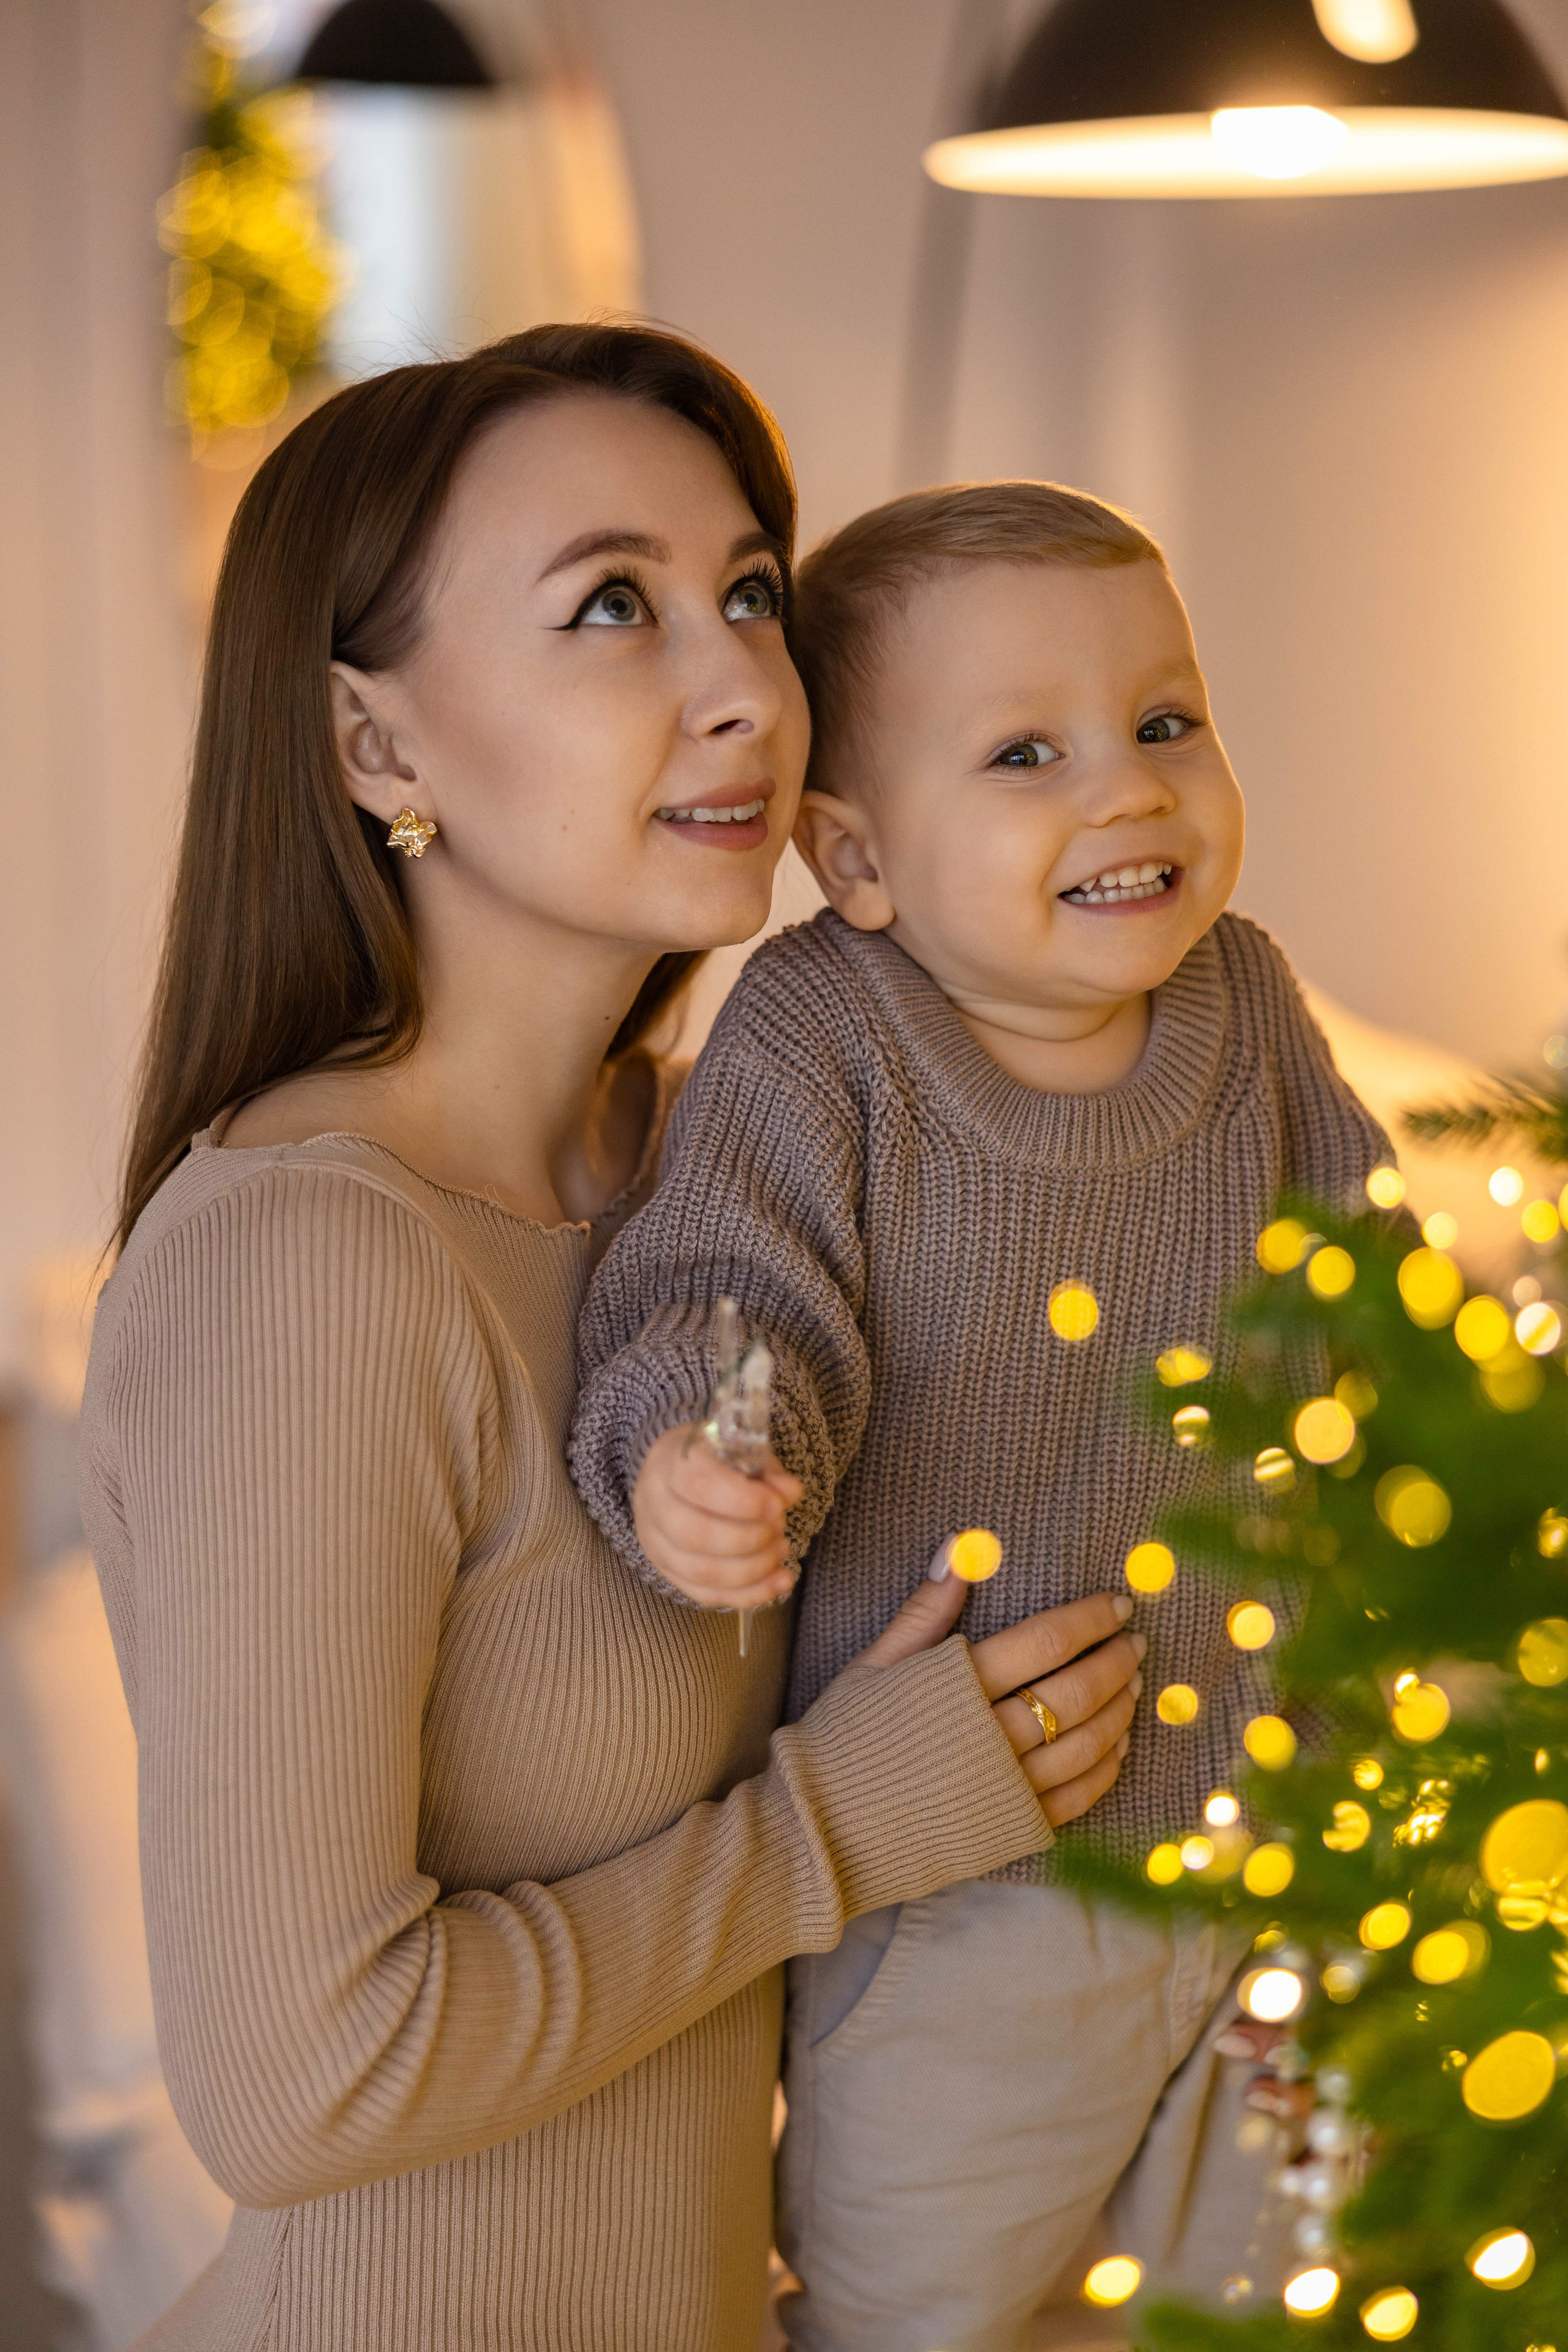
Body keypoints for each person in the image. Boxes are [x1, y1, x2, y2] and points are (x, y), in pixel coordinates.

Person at [79, 337, 1145, 2352]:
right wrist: (833, 1830)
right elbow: (297, 2081)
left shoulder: (720, 1177)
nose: (745, 678)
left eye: (750, 590)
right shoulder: (308, 1262)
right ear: (376, 750)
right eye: (609, 607)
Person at [573, 481, 1393, 2350]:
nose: (1129, 791)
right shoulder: (826, 1032)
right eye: (1027, 753)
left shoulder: (1249, 1007)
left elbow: (1375, 1292)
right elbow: (736, 1288)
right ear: (855, 859)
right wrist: (709, 1453)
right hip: (973, 1885)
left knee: (1279, 2301)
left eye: (1166, 724)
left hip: (1285, 1850)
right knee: (917, 2307)